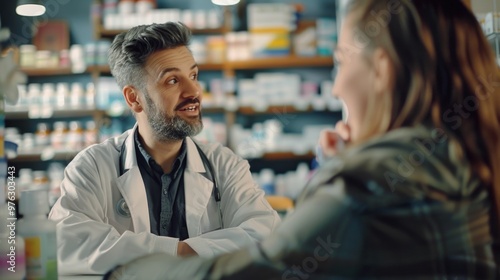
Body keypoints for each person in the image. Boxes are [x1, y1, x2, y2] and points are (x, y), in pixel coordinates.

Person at [104, 0, 500, 279]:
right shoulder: (472, 158)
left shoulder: (366, 188)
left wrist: (126, 270)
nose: (338, 85)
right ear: (134, 98)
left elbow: (241, 274)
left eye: (343, 61)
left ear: (382, 70)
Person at [48, 22, 280, 275]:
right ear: (134, 98)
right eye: (172, 80)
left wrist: (143, 253)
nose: (194, 92)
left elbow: (267, 235)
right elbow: (65, 242)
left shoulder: (224, 164)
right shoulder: (92, 167)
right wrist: (184, 254)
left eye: (193, 75)